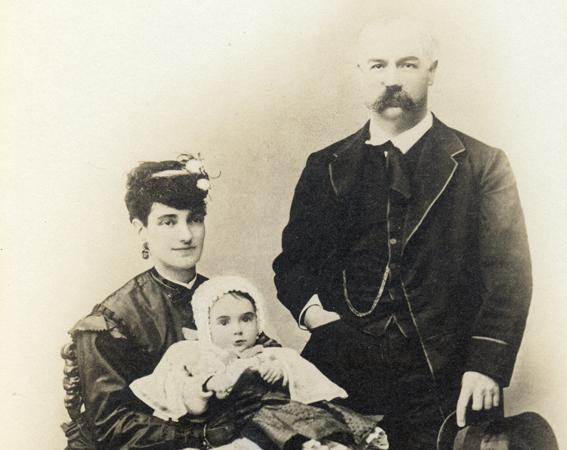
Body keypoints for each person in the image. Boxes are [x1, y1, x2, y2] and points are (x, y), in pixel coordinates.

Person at [272, 17, 532, 449]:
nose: (391, 80)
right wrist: (322, 322)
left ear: (432, 71)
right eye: (377, 66)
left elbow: (509, 274)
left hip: (449, 376)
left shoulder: (483, 164)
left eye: (407, 65)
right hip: (343, 372)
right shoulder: (326, 165)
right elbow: (294, 265)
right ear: (360, 73)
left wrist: (486, 365)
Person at [66, 155, 248, 449]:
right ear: (141, 229)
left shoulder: (224, 297)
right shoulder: (112, 319)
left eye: (195, 219)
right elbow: (111, 425)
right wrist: (198, 437)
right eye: (168, 221)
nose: (186, 235)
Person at [130, 275, 389, 450]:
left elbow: (303, 377)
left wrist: (279, 371)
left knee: (313, 415)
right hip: (223, 427)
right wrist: (208, 384)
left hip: (273, 416)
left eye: (246, 319)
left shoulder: (265, 353)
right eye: (224, 322)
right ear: (206, 326)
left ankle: (336, 440)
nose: (238, 330)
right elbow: (178, 392)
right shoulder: (194, 354)